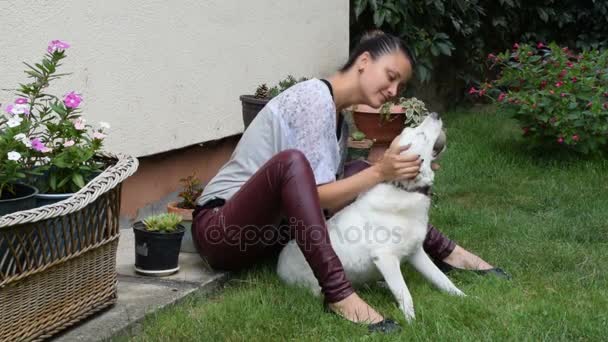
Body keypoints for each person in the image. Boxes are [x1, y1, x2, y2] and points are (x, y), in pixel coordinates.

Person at [192, 31, 505, 330]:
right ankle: (338, 294)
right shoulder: (313, 98)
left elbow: (329, 200)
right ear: (365, 61)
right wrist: (381, 172)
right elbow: (317, 196)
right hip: (223, 232)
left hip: (270, 239)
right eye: (391, 76)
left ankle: (448, 252)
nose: (394, 91)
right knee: (296, 165)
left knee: (358, 174)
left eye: (400, 84)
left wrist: (398, 174)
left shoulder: (339, 120)